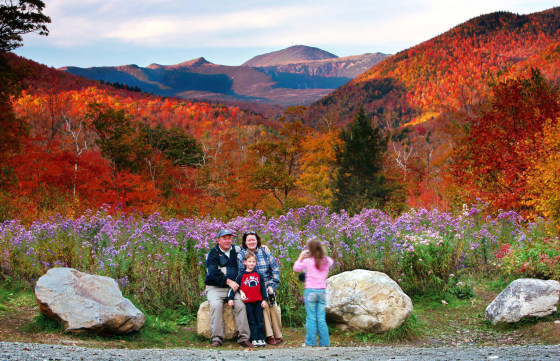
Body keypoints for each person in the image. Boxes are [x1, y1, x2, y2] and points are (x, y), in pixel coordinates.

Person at [204, 229, 252, 348]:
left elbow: (251, 254)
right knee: (216, 305)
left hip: (233, 288)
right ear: (218, 240)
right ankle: (216, 338)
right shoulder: (213, 253)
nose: (227, 240)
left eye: (229, 238)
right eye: (224, 238)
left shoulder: (237, 250)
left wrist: (263, 248)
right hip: (215, 288)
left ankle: (244, 338)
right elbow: (212, 273)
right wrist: (229, 281)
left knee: (241, 305)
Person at [237, 231, 283, 345]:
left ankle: (278, 334)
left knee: (274, 307)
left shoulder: (265, 252)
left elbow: (275, 271)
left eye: (254, 239)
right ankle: (269, 336)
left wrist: (271, 286)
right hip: (252, 289)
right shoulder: (241, 255)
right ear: (245, 242)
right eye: (249, 240)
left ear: (257, 240)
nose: (252, 242)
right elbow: (240, 275)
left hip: (267, 286)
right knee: (265, 306)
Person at [293, 237, 334, 347]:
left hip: (310, 291)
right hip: (322, 291)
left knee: (311, 318)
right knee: (321, 318)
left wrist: (300, 257)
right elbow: (331, 261)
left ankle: (310, 342)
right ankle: (325, 343)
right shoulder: (325, 261)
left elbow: (296, 267)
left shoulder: (307, 262)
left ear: (309, 250)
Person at [228, 251, 268, 347]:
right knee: (251, 320)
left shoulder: (259, 275)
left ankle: (261, 338)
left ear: (256, 263)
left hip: (258, 301)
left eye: (253, 262)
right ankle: (254, 339)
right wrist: (230, 298)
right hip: (248, 302)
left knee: (259, 320)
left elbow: (263, 288)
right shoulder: (241, 276)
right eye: (249, 261)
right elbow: (234, 287)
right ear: (245, 262)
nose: (251, 264)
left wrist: (264, 300)